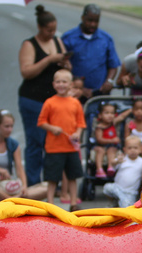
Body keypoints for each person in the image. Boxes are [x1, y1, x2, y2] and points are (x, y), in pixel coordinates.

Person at [18, 5, 71, 187]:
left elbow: (66, 64)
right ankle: (33, 183)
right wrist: (48, 59)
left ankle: (51, 183)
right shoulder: (29, 44)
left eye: (54, 30)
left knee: (53, 143)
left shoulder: (57, 41)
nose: (52, 33)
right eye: (48, 30)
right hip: (33, 99)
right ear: (40, 28)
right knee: (35, 142)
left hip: (54, 101)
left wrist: (64, 62)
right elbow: (26, 71)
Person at [37, 69, 86, 211]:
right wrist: (52, 128)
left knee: (73, 176)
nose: (61, 85)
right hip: (54, 147)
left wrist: (77, 133)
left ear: (70, 84)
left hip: (70, 147)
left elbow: (81, 123)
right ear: (53, 84)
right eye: (58, 82)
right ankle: (50, 203)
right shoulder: (49, 102)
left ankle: (73, 203)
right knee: (52, 177)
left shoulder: (75, 103)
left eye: (64, 82)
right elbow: (41, 122)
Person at [61, 4, 121, 99]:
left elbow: (113, 65)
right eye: (90, 20)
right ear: (83, 18)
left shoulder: (106, 39)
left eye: (96, 21)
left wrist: (109, 81)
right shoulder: (68, 38)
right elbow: (62, 65)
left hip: (99, 92)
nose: (93, 24)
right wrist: (78, 88)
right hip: (74, 93)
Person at [103, 135, 142, 207]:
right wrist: (116, 161)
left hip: (130, 192)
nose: (132, 150)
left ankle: (119, 203)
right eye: (129, 148)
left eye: (135, 148)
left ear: (141, 149)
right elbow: (112, 165)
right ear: (124, 149)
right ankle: (114, 201)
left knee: (126, 206)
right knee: (106, 188)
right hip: (117, 187)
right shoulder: (122, 159)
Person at [94, 102, 131, 178]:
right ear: (100, 115)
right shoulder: (99, 127)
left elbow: (122, 116)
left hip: (111, 146)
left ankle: (110, 167)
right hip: (101, 145)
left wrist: (131, 109)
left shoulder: (113, 123)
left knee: (112, 150)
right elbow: (99, 139)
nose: (110, 115)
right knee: (100, 151)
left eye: (112, 113)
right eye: (106, 113)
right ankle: (99, 169)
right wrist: (112, 140)